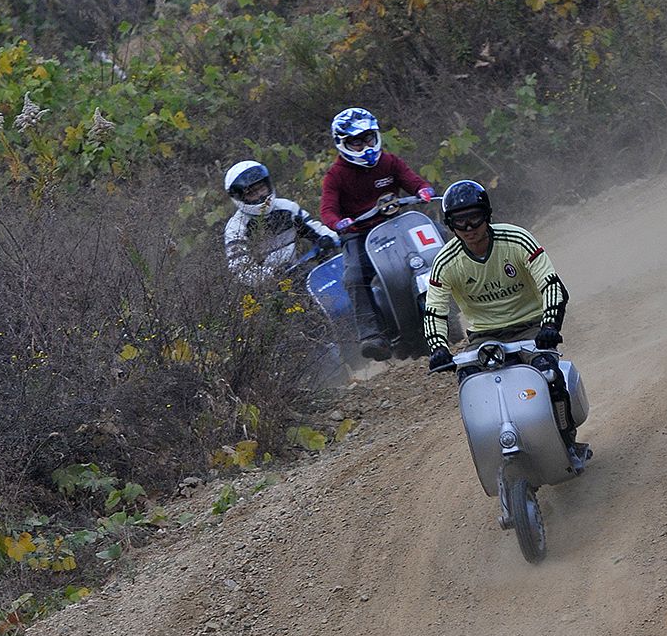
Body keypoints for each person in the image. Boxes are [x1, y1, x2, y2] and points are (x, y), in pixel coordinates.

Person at [422, 180, 588, 468]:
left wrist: (550, 325)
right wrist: (438, 347)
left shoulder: (518, 240)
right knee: (469, 386)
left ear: (487, 214)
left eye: (475, 217)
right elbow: (434, 310)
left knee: (550, 377)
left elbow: (552, 285)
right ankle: (492, 456)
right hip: (483, 337)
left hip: (531, 326)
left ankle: (567, 440)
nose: (470, 227)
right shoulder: (445, 262)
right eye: (460, 222)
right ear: (450, 225)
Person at [319, 107, 436, 361]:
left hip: (397, 223)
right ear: (343, 144)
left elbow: (414, 182)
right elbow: (327, 210)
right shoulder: (335, 175)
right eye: (357, 142)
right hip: (359, 235)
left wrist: (424, 190)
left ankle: (466, 295)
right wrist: (338, 223)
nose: (366, 146)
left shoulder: (389, 161)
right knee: (353, 277)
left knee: (437, 242)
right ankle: (372, 335)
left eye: (369, 138)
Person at [223, 160, 340, 286]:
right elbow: (240, 269)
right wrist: (272, 274)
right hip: (267, 288)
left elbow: (316, 228)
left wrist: (328, 238)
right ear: (238, 197)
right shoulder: (235, 228)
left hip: (303, 272)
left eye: (261, 188)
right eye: (251, 193)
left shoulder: (287, 207)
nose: (259, 195)